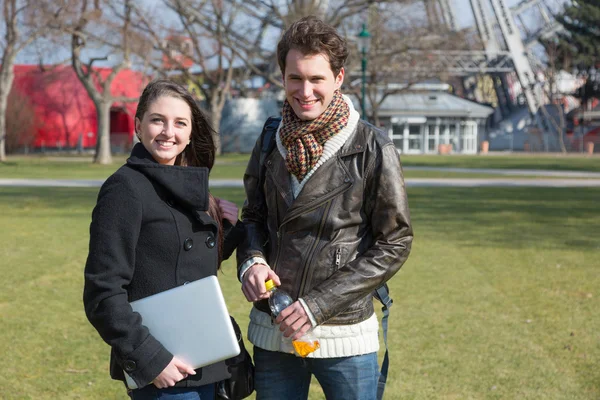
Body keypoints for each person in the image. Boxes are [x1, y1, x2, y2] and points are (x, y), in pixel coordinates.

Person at [236, 16, 413, 400]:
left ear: (339, 77)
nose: (305, 91)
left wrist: (318, 305)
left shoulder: (372, 147)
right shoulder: (269, 140)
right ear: (282, 78)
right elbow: (252, 217)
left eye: (316, 79)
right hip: (275, 327)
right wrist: (251, 260)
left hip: (344, 332)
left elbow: (395, 242)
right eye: (295, 78)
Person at [83, 79, 243, 400]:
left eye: (180, 123)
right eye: (158, 120)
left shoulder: (188, 184)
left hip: (208, 358)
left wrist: (232, 228)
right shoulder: (125, 188)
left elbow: (186, 266)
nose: (169, 132)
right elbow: (103, 293)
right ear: (138, 126)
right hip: (166, 375)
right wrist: (153, 361)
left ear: (189, 134)